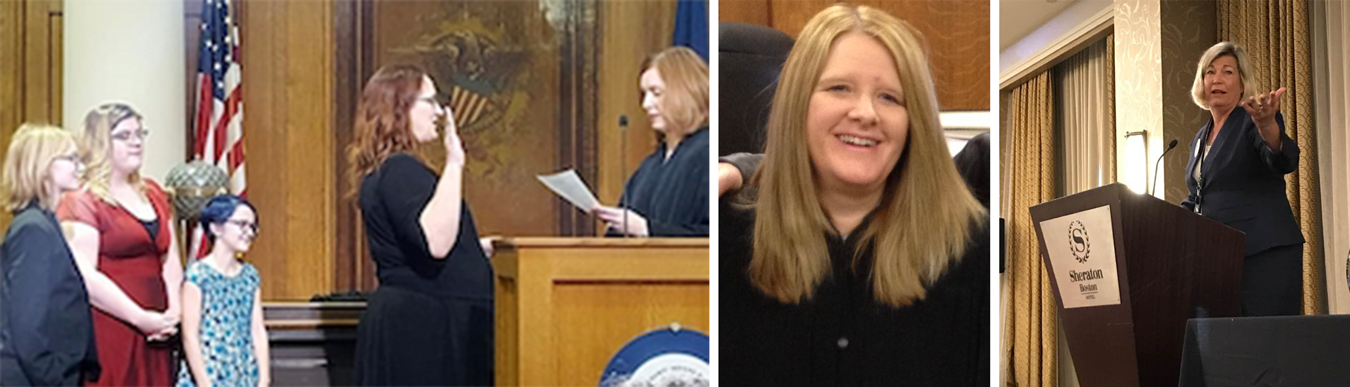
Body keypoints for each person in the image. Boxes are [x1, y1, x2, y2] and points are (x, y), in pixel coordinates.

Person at [719, 5, 989, 385]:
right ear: (798, 104)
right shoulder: (723, 241)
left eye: (890, 98)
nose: (866, 113)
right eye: (839, 88)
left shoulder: (972, 253)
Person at [347, 64, 493, 386]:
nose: (439, 112)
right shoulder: (401, 169)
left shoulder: (388, 170)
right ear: (400, 109)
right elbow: (436, 244)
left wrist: (473, 248)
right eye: (431, 101)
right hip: (426, 329)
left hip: (418, 321)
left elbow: (411, 242)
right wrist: (455, 163)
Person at [59, 103, 182, 386]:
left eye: (140, 134)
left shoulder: (154, 193)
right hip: (112, 324)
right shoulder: (82, 199)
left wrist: (173, 314)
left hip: (158, 328)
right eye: (124, 136)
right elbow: (86, 275)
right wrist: (139, 317)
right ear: (100, 142)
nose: (136, 142)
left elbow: (170, 260)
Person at [1182, 41, 1304, 316]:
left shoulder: (1253, 121)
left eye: (1228, 72)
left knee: (1265, 347)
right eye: (1209, 72)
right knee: (1226, 348)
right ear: (1201, 82)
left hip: (1264, 254)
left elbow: (1281, 159)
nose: (1217, 79)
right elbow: (1197, 197)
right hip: (1219, 259)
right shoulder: (1199, 139)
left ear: (1242, 83)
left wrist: (1267, 126)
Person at [0, 124, 101, 385]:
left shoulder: (44, 222)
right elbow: (27, 323)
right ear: (44, 165)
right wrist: (54, 378)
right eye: (71, 158)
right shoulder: (33, 228)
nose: (80, 167)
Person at [592, 46, 710, 237]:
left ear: (685, 92)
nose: (646, 104)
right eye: (644, 94)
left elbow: (716, 237)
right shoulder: (650, 165)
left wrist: (647, 230)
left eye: (656, 93)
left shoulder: (708, 153)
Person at [177, 196, 270, 387]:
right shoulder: (198, 275)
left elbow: (257, 330)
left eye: (252, 226)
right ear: (216, 227)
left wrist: (264, 379)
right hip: (209, 372)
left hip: (243, 371)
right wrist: (204, 383)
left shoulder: (250, 276)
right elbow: (190, 336)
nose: (249, 232)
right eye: (241, 224)